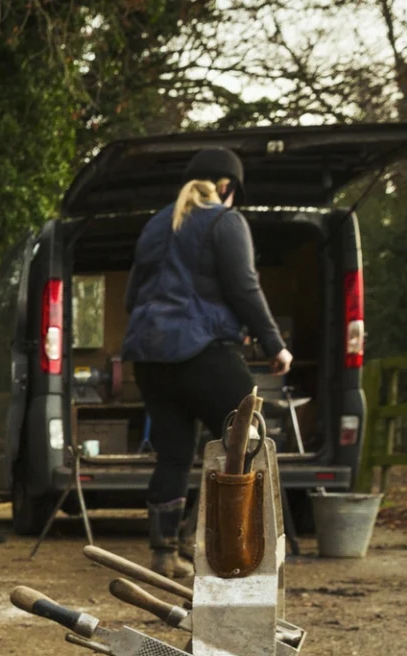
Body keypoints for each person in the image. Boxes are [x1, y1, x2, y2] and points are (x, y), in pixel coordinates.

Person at [122, 147, 291, 578]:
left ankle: (164, 553)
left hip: (149, 356)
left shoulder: (156, 224)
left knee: (174, 453)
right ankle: (216, 542)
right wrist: (275, 344)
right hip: (202, 350)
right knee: (246, 437)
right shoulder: (224, 220)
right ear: (226, 186)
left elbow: (130, 297)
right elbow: (244, 287)